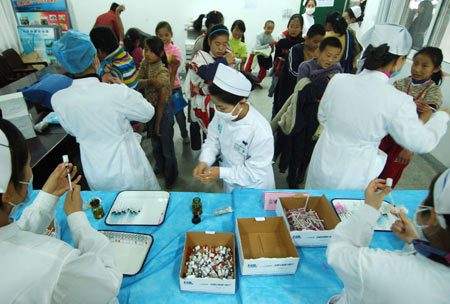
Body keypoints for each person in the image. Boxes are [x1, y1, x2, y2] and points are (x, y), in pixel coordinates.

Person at [305, 24, 450, 190]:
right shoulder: (398, 100)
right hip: (354, 171)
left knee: (313, 208)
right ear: (399, 61)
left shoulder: (339, 80)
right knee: (341, 210)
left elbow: (323, 117)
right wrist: (442, 117)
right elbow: (421, 143)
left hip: (323, 158)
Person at [0, 118, 122, 304]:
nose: (30, 173)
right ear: (8, 192)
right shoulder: (55, 264)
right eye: (27, 165)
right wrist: (77, 218)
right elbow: (107, 281)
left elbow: (14, 239)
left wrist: (47, 197)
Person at [52, 30, 160, 191]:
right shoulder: (114, 92)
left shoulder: (59, 99)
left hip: (95, 169)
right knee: (142, 209)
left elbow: (72, 131)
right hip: (126, 168)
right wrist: (123, 88)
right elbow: (147, 112)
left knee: (108, 210)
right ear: (95, 58)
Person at [327, 171, 450, 304]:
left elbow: (339, 251)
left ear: (432, 216)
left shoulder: (379, 268)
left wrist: (370, 208)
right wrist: (412, 242)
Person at [193, 63, 275, 193]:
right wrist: (206, 160)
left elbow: (254, 172)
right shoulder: (224, 114)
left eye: (221, 107)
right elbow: (213, 140)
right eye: (215, 105)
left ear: (241, 102)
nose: (217, 111)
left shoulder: (260, 131)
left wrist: (221, 172)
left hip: (254, 187)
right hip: (231, 180)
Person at [274, 37, 342, 189]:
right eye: (328, 55)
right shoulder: (306, 66)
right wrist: (326, 82)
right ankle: (291, 176)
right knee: (296, 147)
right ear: (318, 52)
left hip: (321, 116)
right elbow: (303, 91)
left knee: (310, 147)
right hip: (302, 113)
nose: (331, 60)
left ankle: (301, 172)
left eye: (335, 56)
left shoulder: (337, 69)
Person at [379, 47, 444, 187]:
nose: (417, 69)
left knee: (387, 178)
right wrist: (412, 102)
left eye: (424, 66)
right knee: (371, 170)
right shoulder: (401, 83)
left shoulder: (433, 91)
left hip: (404, 141)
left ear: (436, 68)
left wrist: (410, 147)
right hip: (385, 135)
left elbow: (425, 116)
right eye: (415, 64)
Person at [184, 24, 235, 150]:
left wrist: (202, 90)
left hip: (220, 104)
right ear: (209, 42)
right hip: (204, 105)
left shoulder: (228, 56)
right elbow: (207, 74)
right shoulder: (201, 56)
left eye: (225, 44)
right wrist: (223, 62)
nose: (221, 48)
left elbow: (225, 83)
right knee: (205, 133)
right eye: (217, 44)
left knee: (217, 137)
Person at [138, 36, 178, 189]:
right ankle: (160, 167)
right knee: (155, 144)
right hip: (150, 109)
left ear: (160, 53)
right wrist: (149, 82)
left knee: (166, 146)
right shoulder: (145, 63)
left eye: (151, 51)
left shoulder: (162, 72)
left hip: (162, 111)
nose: (147, 54)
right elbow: (137, 81)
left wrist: (158, 123)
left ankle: (171, 175)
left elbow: (162, 102)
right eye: (145, 50)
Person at [273, 24, 325, 118]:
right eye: (315, 41)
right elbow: (293, 72)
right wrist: (313, 78)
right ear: (307, 38)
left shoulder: (320, 53)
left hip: (305, 92)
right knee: (282, 115)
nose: (318, 45)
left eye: (321, 42)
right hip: (288, 89)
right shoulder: (295, 50)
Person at [156, 21, 190, 144]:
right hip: (160, 88)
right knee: (165, 116)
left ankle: (184, 133)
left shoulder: (175, 49)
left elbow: (178, 62)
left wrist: (165, 57)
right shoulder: (156, 50)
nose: (164, 38)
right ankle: (167, 137)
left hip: (174, 87)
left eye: (166, 35)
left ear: (171, 35)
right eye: (160, 36)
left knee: (179, 114)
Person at [269, 14, 304, 98]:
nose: (293, 29)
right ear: (288, 27)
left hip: (295, 78)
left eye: (297, 27)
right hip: (281, 77)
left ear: (301, 28)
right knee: (278, 99)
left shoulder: (303, 43)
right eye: (291, 26)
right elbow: (276, 60)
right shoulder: (282, 42)